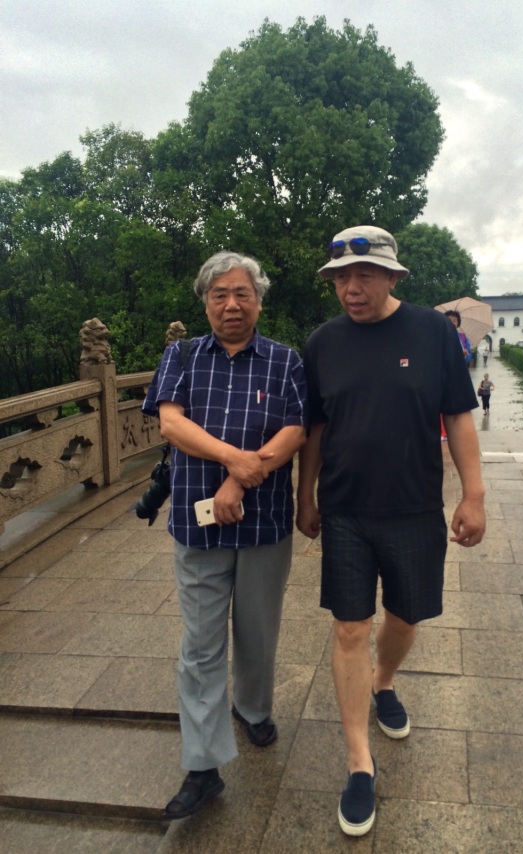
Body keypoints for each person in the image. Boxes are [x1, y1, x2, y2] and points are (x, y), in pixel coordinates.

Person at [296, 225, 485, 837]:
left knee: (405, 618)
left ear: (393, 277)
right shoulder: (322, 343)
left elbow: (457, 415)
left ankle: (384, 681)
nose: (351, 288)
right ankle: (358, 763)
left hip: (413, 507)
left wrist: (474, 495)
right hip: (346, 509)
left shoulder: (432, 332)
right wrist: (306, 494)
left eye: (365, 276)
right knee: (350, 626)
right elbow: (315, 429)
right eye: (341, 279)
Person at [142, 251, 307, 820]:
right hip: (196, 522)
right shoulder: (181, 355)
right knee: (201, 646)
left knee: (259, 631)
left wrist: (241, 480)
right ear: (206, 302)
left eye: (242, 293)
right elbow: (171, 423)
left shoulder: (285, 361)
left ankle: (254, 710)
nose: (231, 304)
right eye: (220, 295)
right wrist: (234, 461)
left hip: (264, 524)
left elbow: (295, 430)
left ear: (258, 300)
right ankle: (204, 763)